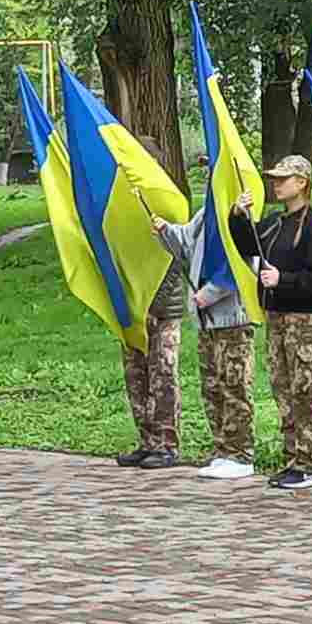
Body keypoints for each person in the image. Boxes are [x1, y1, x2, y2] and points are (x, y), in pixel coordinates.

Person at [230, 154, 312, 490]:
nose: (276, 183)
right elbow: (248, 243)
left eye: (283, 178)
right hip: (277, 317)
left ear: (302, 182)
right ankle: (293, 458)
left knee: (305, 389)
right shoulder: (276, 223)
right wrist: (239, 217)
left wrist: (284, 280)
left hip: (305, 320)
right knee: (283, 389)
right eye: (274, 177)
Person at [152, 204, 256, 481]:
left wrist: (211, 293)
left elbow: (241, 261)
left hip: (231, 319)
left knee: (234, 386)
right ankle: (222, 449)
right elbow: (185, 242)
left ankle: (241, 453)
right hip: (205, 321)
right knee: (212, 386)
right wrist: (165, 231)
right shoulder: (206, 211)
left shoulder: (239, 213)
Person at [117, 137, 184, 470]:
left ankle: (167, 444)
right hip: (132, 308)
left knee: (163, 375)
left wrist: (152, 297)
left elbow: (178, 258)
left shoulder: (169, 202)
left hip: (164, 308)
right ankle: (146, 441)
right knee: (136, 375)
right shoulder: (123, 208)